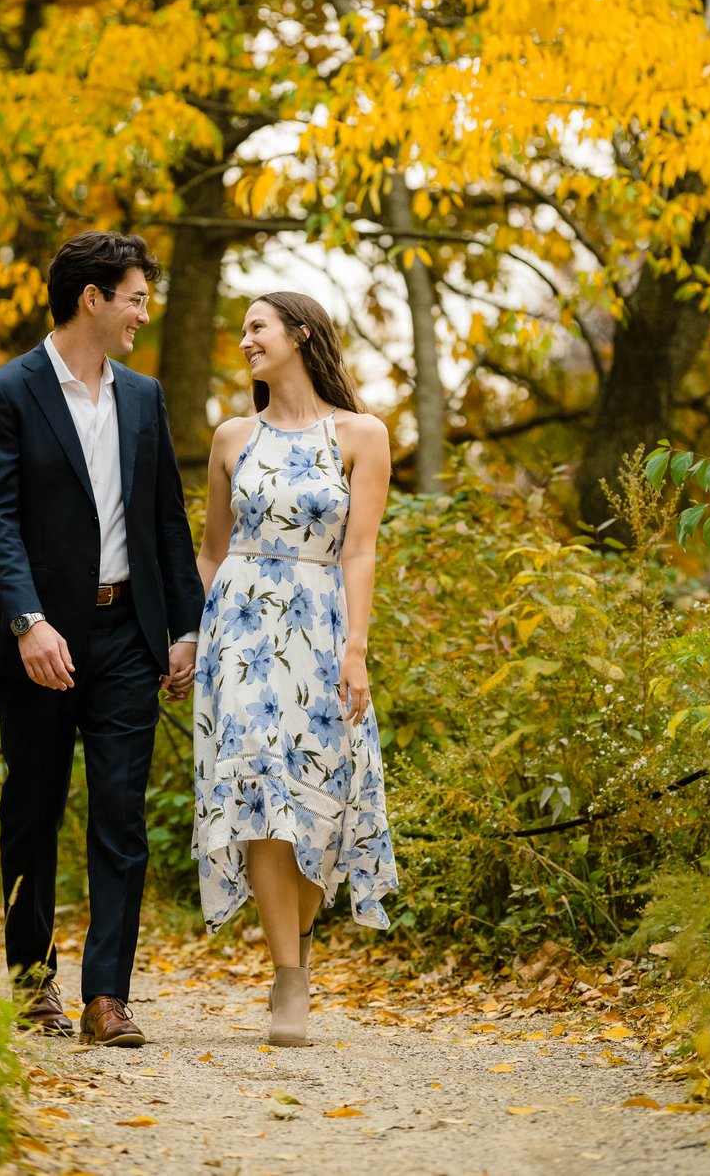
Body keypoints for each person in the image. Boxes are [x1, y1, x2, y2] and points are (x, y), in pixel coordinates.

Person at [0, 231, 203, 1047]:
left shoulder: (144, 396)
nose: (144, 311)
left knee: (120, 816)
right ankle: (32, 984)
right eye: (135, 296)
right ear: (91, 299)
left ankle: (108, 997)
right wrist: (27, 620)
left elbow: (166, 519)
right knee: (32, 810)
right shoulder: (5, 392)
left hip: (128, 636)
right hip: (39, 639)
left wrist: (186, 627)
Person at [191, 291, 398, 1046]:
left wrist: (356, 650)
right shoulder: (231, 437)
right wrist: (191, 639)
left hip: (320, 626)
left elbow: (361, 549)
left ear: (300, 335)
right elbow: (211, 552)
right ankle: (288, 976)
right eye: (243, 328)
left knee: (317, 798)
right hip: (239, 634)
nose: (245, 339)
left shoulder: (362, 433)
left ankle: (300, 943)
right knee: (260, 800)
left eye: (257, 326)